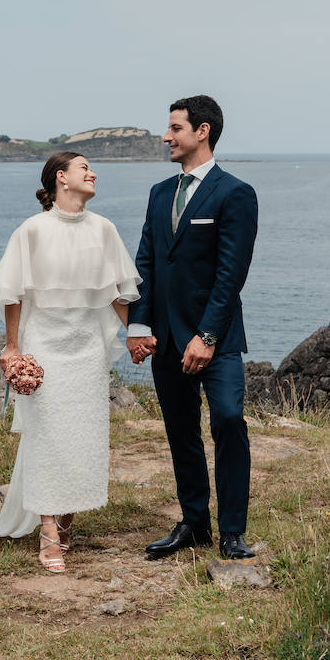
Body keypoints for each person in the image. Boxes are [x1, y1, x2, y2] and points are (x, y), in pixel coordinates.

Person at [0, 151, 141, 573]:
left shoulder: (104, 228)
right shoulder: (32, 231)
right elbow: (13, 292)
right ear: (62, 178)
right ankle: (47, 533)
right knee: (47, 436)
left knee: (84, 436)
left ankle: (65, 521)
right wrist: (12, 348)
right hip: (44, 345)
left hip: (87, 349)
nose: (93, 173)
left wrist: (138, 334)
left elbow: (117, 292)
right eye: (84, 168)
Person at [126, 95, 258, 561]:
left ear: (201, 131)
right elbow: (145, 261)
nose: (166, 137)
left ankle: (233, 530)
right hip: (164, 338)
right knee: (180, 431)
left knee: (227, 420)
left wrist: (207, 337)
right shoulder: (160, 193)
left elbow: (231, 273)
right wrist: (138, 325)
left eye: (175, 128)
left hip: (214, 339)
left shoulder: (234, 193)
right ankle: (194, 524)